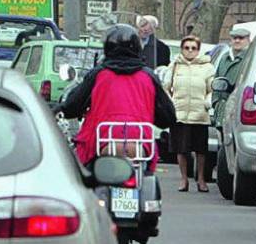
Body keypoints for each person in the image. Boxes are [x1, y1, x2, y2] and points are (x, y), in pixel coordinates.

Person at [56, 24, 176, 168]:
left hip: (100, 144)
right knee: (146, 179)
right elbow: (168, 117)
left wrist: (64, 107)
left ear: (107, 47)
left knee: (78, 176)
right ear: (137, 47)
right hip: (139, 147)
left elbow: (72, 107)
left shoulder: (99, 74)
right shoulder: (148, 76)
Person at [167, 34, 215, 192]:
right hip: (180, 113)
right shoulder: (174, 65)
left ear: (198, 50)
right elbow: (165, 87)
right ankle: (184, 179)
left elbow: (211, 89)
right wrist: (171, 104)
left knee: (200, 150)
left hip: (199, 114)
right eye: (186, 48)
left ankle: (201, 179)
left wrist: (207, 102)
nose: (190, 51)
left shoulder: (207, 67)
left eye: (193, 48)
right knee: (181, 148)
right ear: (182, 49)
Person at [211, 24, 251, 120]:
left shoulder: (250, 58)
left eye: (241, 38)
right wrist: (215, 102)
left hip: (239, 110)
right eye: (234, 38)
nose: (237, 41)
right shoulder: (224, 58)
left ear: (248, 40)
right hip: (221, 110)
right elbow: (216, 81)